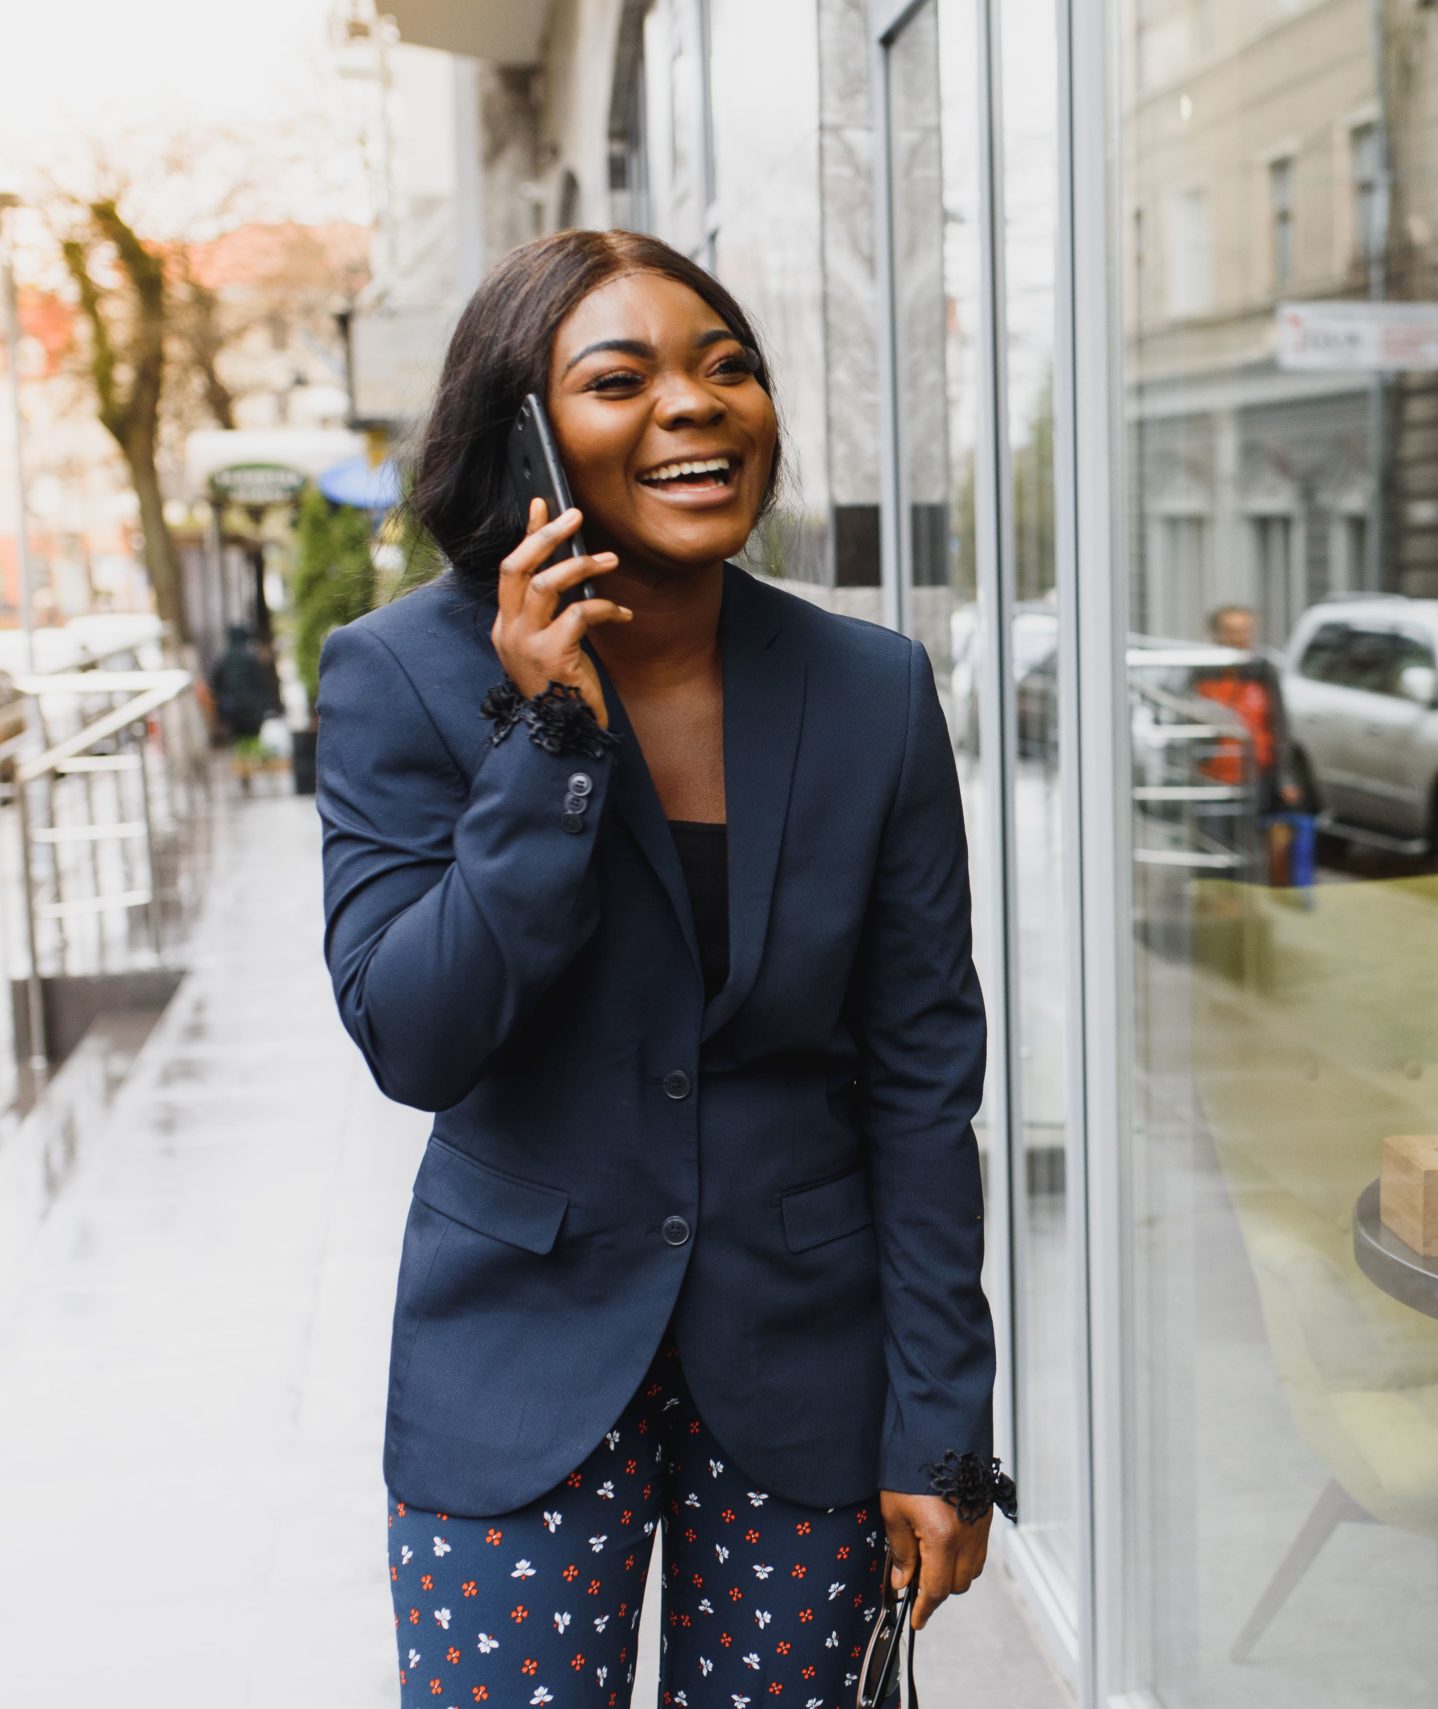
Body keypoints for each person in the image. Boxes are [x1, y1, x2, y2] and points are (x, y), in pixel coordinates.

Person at [315, 230, 1007, 1709]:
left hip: (806, 1368)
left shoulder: (871, 691)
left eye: (727, 368)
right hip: (516, 1362)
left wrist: (942, 1428)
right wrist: (549, 741)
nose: (698, 406)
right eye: (621, 379)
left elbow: (923, 1078)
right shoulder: (405, 676)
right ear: (527, 439)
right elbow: (413, 1038)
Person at [1196, 603, 1307, 879]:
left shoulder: (1262, 671)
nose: (1239, 638)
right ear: (1216, 634)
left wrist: (1285, 777)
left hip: (1255, 772)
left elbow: (1279, 724)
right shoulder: (1202, 671)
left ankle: (1247, 899)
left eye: (1245, 631)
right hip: (1213, 774)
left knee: (1250, 844)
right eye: (1232, 631)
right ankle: (1218, 896)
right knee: (1214, 842)